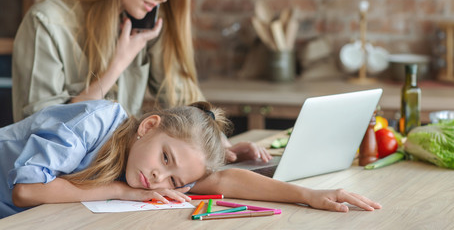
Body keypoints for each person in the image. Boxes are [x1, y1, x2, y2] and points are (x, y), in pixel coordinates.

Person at [0, 100, 381, 218]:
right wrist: (121, 190)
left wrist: (310, 195)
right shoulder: (94, 123)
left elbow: (225, 181)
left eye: (174, 180)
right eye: (165, 158)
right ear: (149, 126)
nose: (157, 179)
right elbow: (28, 191)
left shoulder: (147, 165)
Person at [11, 0, 269, 163]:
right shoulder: (46, 22)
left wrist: (219, 144)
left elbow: (180, 93)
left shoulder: (146, 19)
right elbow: (41, 132)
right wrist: (118, 63)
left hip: (119, 179)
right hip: (52, 186)